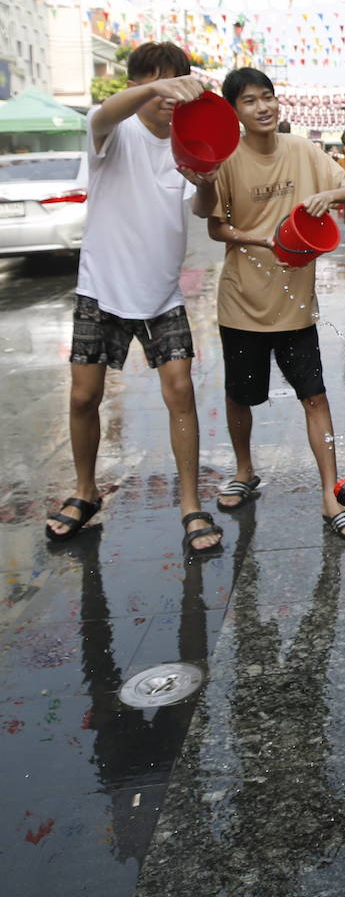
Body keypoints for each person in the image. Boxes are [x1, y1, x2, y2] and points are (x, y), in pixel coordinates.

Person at [45, 41, 223, 557]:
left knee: (180, 392)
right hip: (101, 285)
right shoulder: (112, 131)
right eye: (156, 82)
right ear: (138, 84)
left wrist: (206, 181)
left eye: (175, 81)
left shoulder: (190, 141)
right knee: (83, 397)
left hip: (162, 290)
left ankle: (191, 503)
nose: (167, 95)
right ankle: (85, 491)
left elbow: (202, 208)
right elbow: (102, 113)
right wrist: (158, 85)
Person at [195, 67, 345, 541]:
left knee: (315, 396)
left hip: (295, 302)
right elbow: (215, 227)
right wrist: (261, 239)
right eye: (249, 101)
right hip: (241, 302)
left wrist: (328, 196)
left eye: (267, 97)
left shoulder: (302, 149)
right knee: (241, 396)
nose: (263, 107)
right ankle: (245, 469)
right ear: (235, 113)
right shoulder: (226, 160)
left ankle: (332, 494)